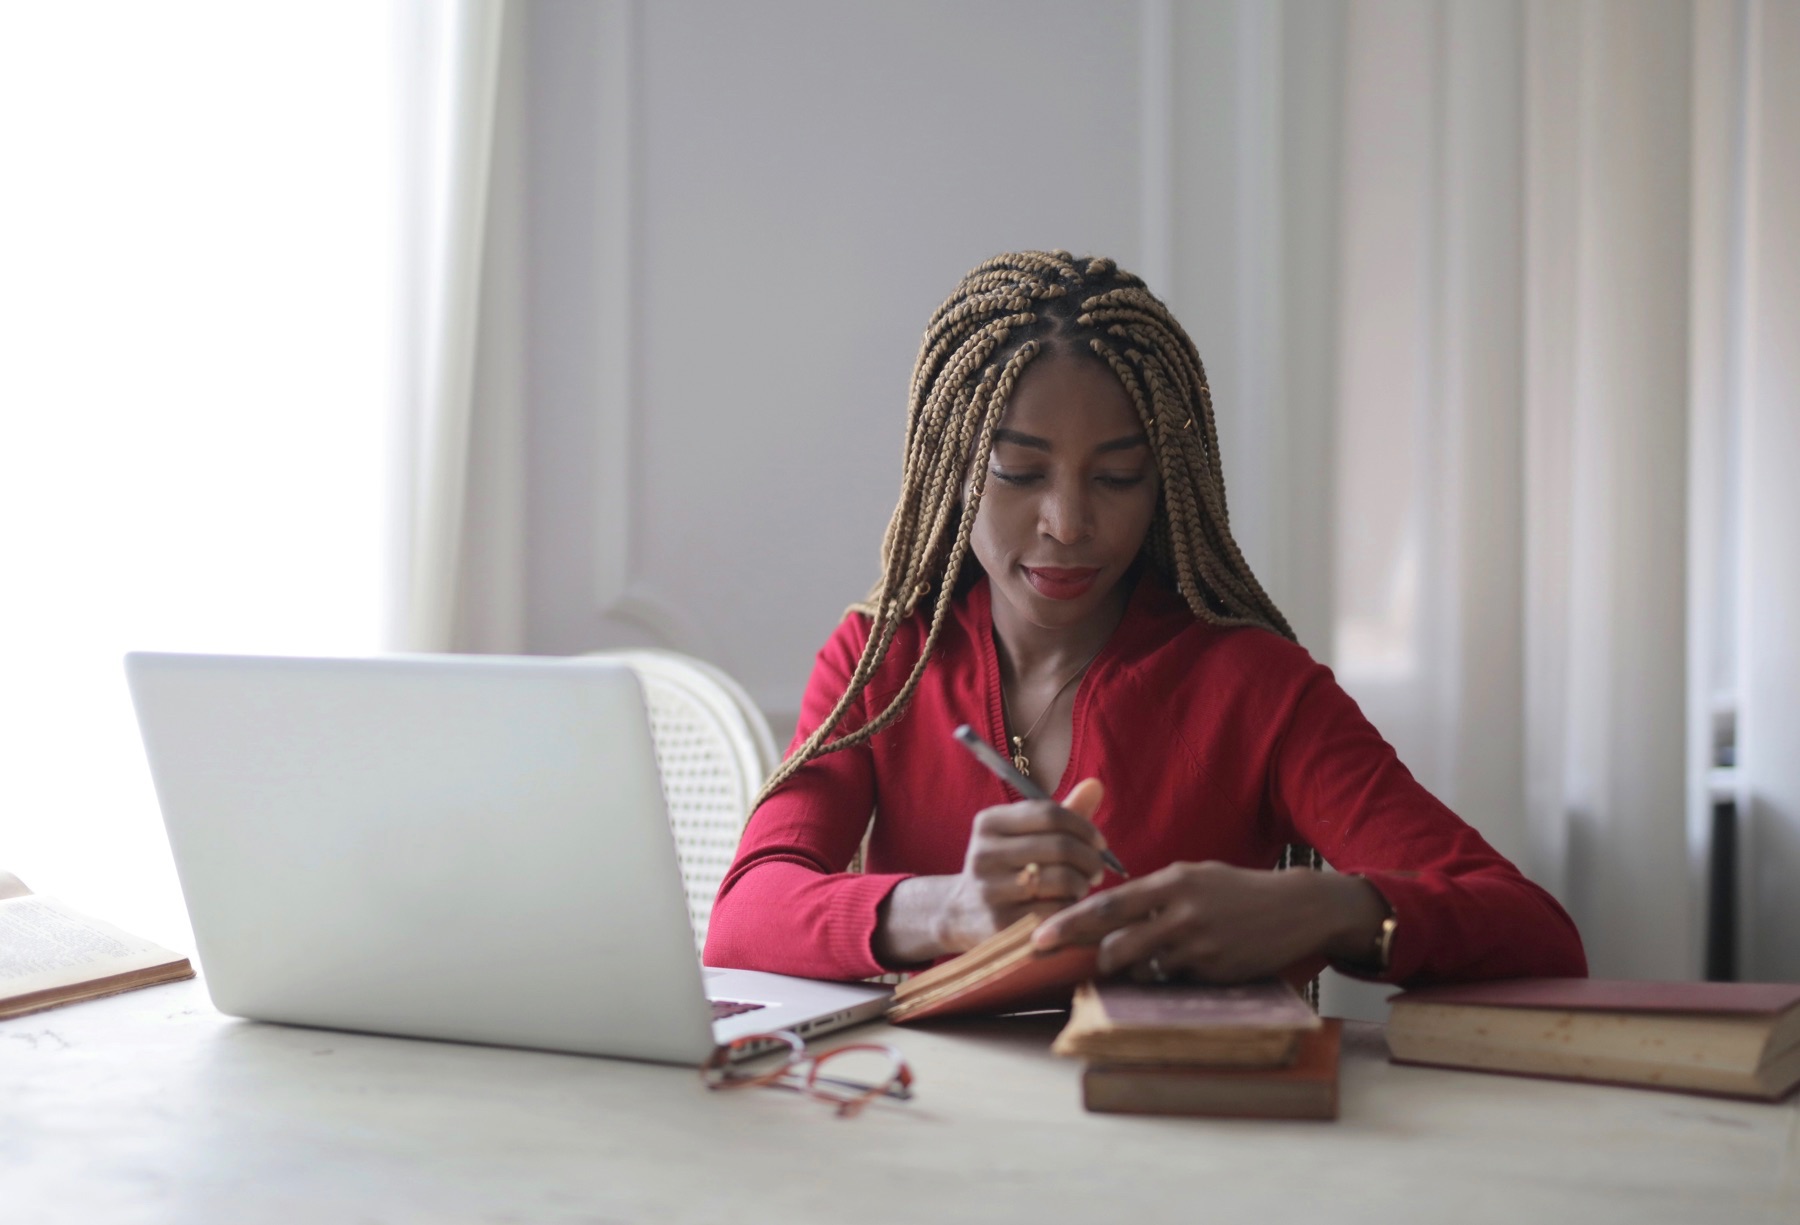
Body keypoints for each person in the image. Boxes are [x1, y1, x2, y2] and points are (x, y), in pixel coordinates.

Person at [703, 251, 1586, 988]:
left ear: (1166, 484)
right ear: (955, 469)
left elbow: (1538, 934)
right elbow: (743, 917)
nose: (1069, 522)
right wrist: (947, 909)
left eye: (1117, 478)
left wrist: (1330, 909)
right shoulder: (882, 662)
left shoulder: (1253, 686)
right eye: (1020, 471)